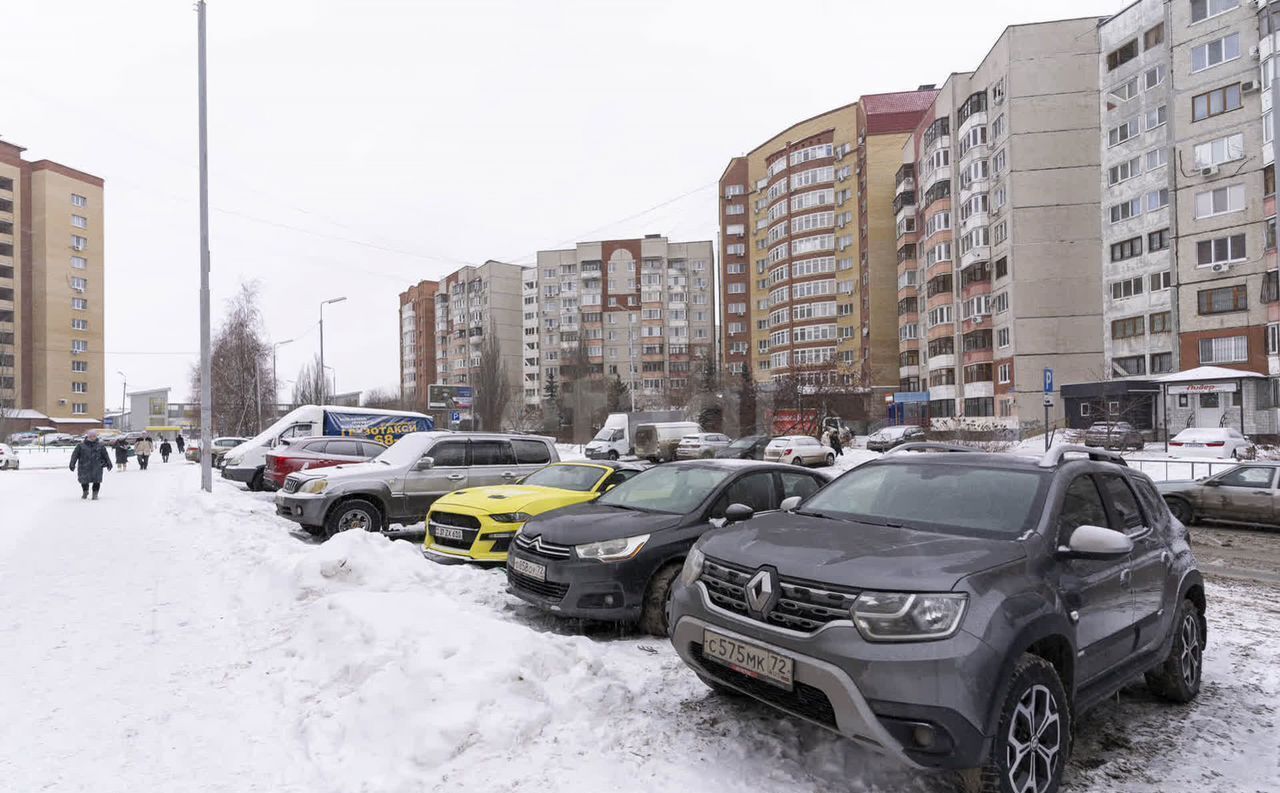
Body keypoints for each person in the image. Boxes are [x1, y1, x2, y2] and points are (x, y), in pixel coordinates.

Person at [70, 430, 113, 500]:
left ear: (96, 436)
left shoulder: (100, 446)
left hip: (97, 466)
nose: (92, 438)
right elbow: (75, 455)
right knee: (84, 481)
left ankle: (95, 494)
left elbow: (105, 455)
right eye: (90, 436)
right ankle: (85, 491)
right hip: (84, 466)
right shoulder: (81, 446)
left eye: (94, 436)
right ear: (87, 436)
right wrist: (72, 464)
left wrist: (109, 463)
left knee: (97, 481)